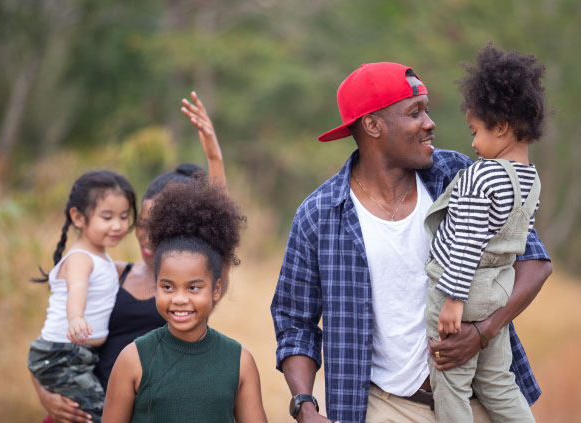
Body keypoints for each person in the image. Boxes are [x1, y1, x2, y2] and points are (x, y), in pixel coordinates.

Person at [270, 61, 552, 423]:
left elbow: (535, 261)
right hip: (386, 407)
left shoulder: (461, 175)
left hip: (477, 399)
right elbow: (295, 323)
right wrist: (305, 407)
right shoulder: (319, 215)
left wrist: (483, 331)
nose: (429, 122)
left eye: (427, 110)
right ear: (373, 125)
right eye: (414, 112)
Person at [31, 92, 228, 423]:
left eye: (160, 229)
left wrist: (215, 159)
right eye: (142, 224)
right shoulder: (111, 272)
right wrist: (44, 393)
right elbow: (51, 339)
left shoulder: (190, 289)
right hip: (85, 408)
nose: (146, 236)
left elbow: (220, 227)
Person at [425, 44, 546, 423]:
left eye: (476, 132)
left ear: (503, 127)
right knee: (497, 381)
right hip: (499, 287)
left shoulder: (483, 174)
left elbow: (466, 240)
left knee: (451, 385)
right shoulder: (532, 181)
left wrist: (453, 299)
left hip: (466, 287)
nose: (474, 144)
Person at [102, 176, 267, 422]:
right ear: (155, 285)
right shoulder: (132, 358)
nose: (179, 299)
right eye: (167, 287)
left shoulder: (239, 362)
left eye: (193, 288)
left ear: (216, 289)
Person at [28, 170, 138, 423]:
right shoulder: (81, 258)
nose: (118, 225)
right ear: (78, 217)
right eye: (107, 217)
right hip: (63, 354)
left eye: (123, 216)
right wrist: (75, 317)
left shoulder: (102, 258)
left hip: (77, 355)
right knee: (99, 414)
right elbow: (77, 288)